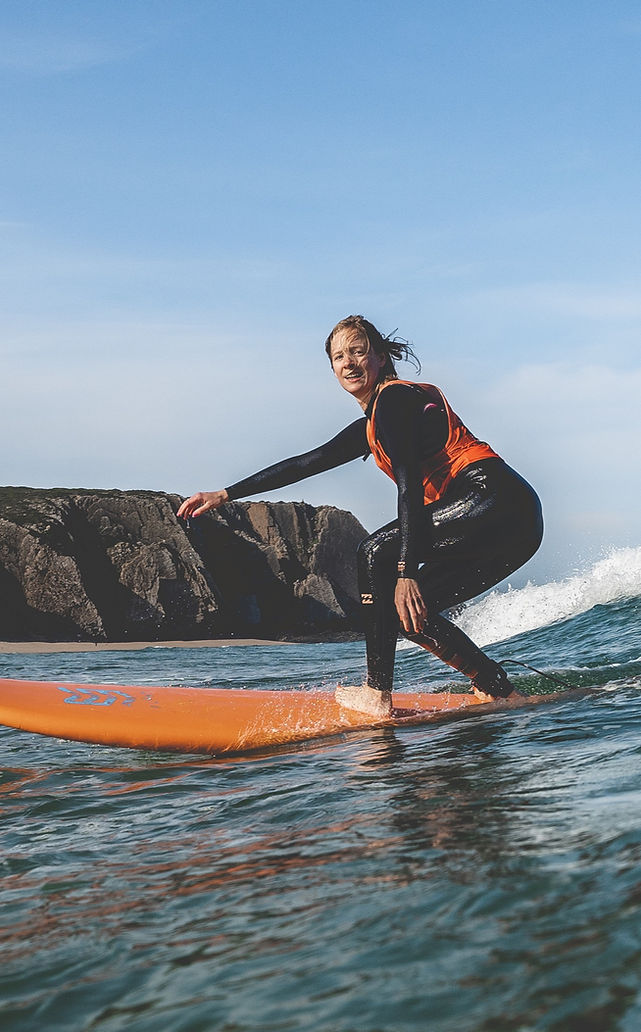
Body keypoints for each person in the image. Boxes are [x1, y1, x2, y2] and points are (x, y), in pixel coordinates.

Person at [177, 315, 543, 717]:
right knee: (409, 617)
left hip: (492, 498)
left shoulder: (394, 400)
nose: (348, 363)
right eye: (338, 356)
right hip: (516, 524)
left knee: (372, 552)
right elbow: (306, 463)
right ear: (332, 368)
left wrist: (405, 571)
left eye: (358, 351)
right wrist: (225, 494)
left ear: (381, 358)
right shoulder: (374, 421)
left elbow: (408, 483)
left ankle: (377, 693)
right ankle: (497, 689)